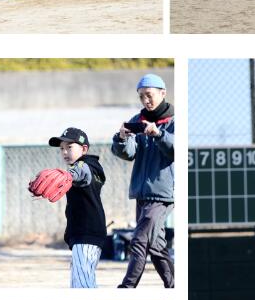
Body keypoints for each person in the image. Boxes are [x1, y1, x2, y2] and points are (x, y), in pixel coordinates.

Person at [111, 73, 174, 288]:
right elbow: (128, 153)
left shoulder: (175, 121)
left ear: (162, 93)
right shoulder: (137, 120)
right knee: (155, 245)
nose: (145, 100)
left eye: (149, 95)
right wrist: (122, 138)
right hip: (142, 193)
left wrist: (158, 134)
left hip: (163, 194)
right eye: (141, 96)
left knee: (139, 240)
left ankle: (127, 287)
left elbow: (177, 150)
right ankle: (173, 285)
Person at [46, 126, 107, 287]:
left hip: (86, 233)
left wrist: (67, 176)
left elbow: (79, 172)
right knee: (83, 282)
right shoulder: (93, 167)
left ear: (84, 149)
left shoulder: (83, 166)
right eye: (62, 148)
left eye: (70, 147)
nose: (65, 152)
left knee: (82, 286)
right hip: (89, 233)